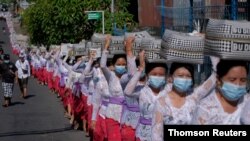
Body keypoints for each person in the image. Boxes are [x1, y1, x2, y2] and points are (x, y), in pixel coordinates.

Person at [151, 56, 219, 141]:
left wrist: (212, 51)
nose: (184, 79)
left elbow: (216, 75)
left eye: (188, 76)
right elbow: (156, 136)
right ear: (171, 77)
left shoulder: (194, 96)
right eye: (180, 75)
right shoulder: (161, 103)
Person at [192, 60, 250, 124]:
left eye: (243, 80)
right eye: (232, 80)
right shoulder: (205, 109)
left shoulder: (247, 101)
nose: (238, 84)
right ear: (219, 80)